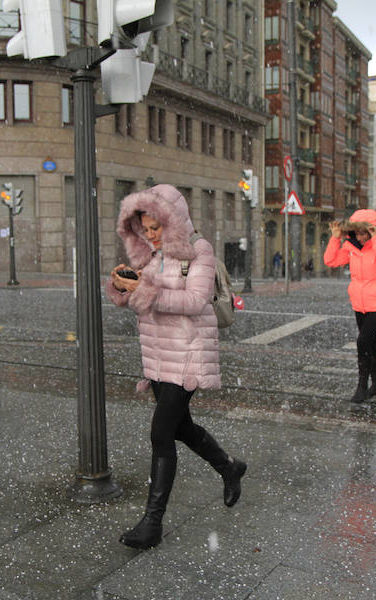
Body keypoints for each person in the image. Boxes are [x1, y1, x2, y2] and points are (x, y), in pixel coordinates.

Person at [106, 184, 247, 550]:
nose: (151, 234)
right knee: (181, 427)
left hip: (187, 353)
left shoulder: (198, 251)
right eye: (145, 228)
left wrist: (145, 291)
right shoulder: (151, 255)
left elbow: (195, 299)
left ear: (173, 220)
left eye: (156, 227)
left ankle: (152, 523)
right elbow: (143, 299)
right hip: (157, 356)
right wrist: (125, 288)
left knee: (161, 434)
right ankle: (229, 467)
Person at [323, 209, 376, 403]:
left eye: (364, 232)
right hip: (360, 302)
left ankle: (362, 386)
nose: (361, 237)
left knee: (363, 341)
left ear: (372, 230)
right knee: (371, 343)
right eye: (357, 233)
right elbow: (331, 261)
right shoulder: (351, 248)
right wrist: (335, 238)